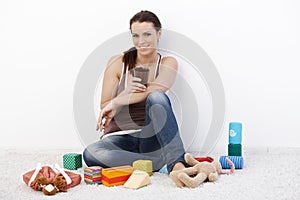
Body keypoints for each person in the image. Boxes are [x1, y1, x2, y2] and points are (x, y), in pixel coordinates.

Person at [83, 10, 187, 173]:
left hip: (150, 138)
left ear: (159, 34)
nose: (141, 41)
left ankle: (177, 163)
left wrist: (120, 100)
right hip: (119, 138)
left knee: (157, 97)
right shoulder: (118, 62)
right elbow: (105, 105)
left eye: (147, 34)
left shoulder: (167, 62)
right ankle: (157, 163)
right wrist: (123, 95)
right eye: (136, 36)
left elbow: (157, 90)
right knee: (91, 153)